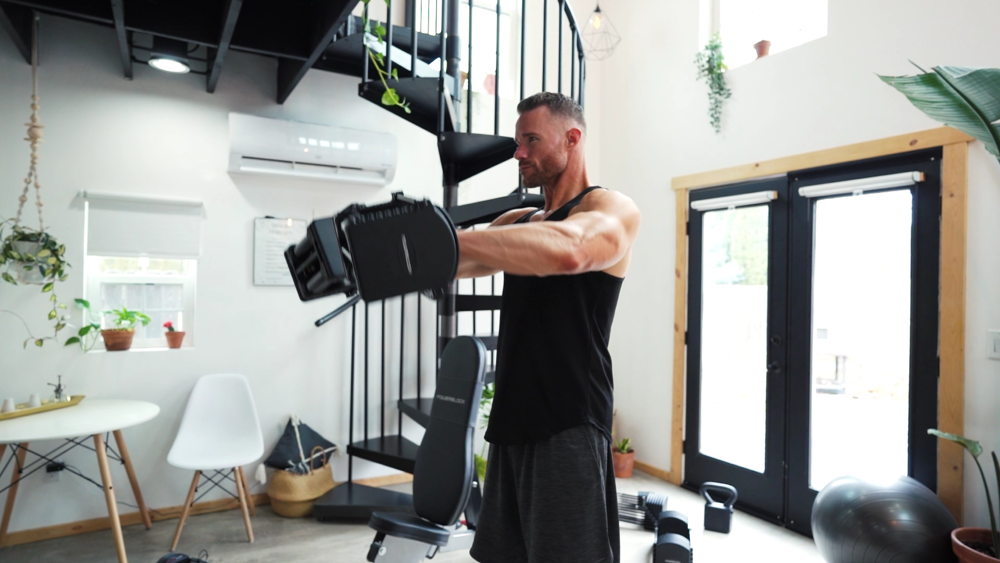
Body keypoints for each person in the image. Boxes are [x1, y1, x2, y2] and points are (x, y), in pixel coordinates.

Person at [458, 92, 641, 563]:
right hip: (513, 415)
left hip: (570, 419)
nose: (519, 153)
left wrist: (463, 241)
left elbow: (572, 250)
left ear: (572, 139)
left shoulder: (609, 208)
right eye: (518, 142)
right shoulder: (520, 219)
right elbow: (457, 260)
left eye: (531, 140)